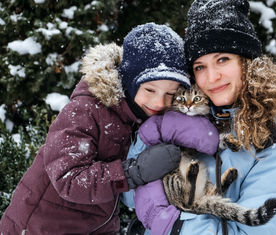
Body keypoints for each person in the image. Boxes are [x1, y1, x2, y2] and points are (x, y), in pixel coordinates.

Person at [0, 23, 217, 234]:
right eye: (150, 89)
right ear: (130, 82)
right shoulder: (86, 111)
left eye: (170, 94)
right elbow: (69, 179)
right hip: (41, 227)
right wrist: (133, 172)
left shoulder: (144, 116)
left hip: (97, 226)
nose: (160, 102)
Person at [132, 0, 276, 235]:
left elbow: (251, 230)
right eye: (199, 66)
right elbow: (129, 197)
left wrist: (175, 225)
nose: (211, 77)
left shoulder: (274, 138)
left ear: (245, 61)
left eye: (222, 60)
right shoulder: (188, 116)